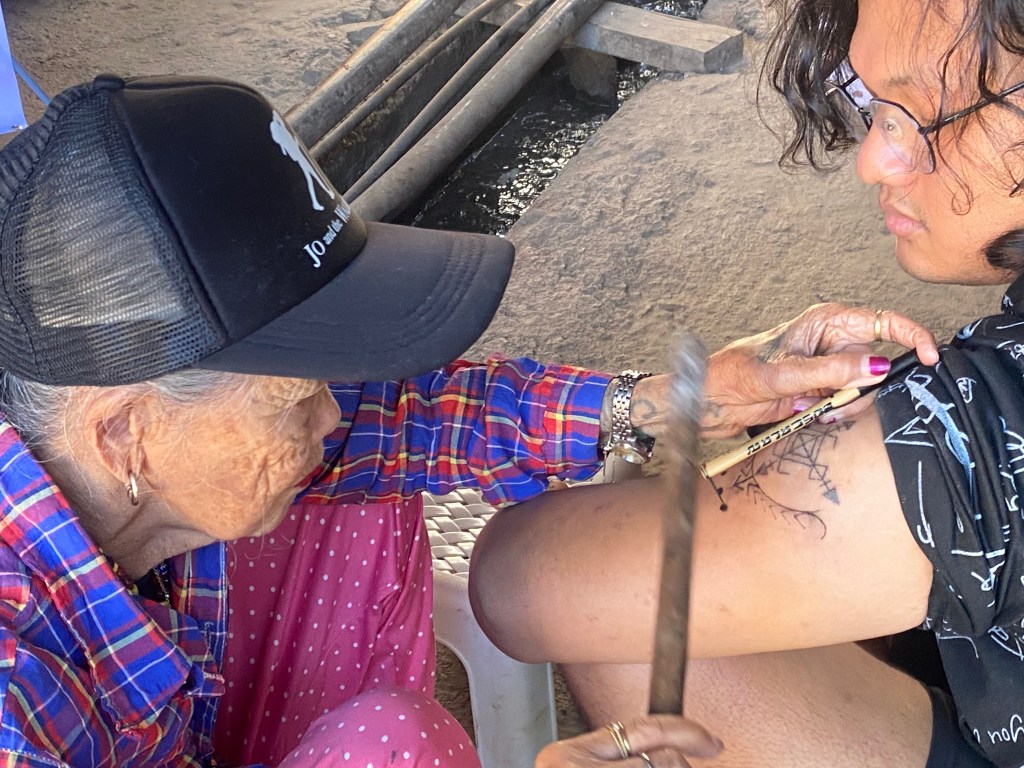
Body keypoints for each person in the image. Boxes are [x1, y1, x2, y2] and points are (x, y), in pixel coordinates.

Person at [0, 73, 928, 767]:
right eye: (292, 395)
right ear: (124, 436)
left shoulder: (115, 451)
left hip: (174, 718)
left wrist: (672, 396)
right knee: (394, 736)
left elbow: (413, 418)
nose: (331, 415)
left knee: (354, 484)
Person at [468, 0, 1024, 766]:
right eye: (871, 106)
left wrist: (774, 445)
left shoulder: (974, 437)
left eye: (916, 113)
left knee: (622, 622)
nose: (871, 160)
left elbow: (519, 576)